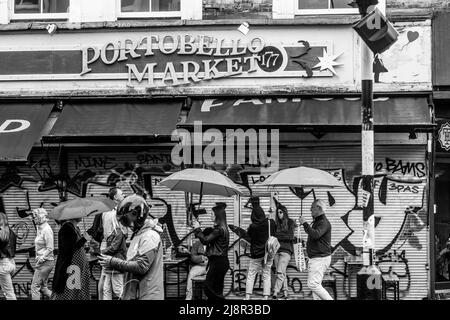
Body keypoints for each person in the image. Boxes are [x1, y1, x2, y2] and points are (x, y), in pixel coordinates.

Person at [98, 194, 164, 300]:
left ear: (136, 215)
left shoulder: (149, 236)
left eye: (128, 220)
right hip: (138, 293)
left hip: (147, 295)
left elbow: (141, 266)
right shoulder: (140, 234)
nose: (128, 226)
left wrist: (113, 261)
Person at [192, 202, 230, 301]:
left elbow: (205, 240)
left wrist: (197, 229)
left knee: (208, 288)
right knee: (217, 289)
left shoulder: (219, 230)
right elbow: (207, 239)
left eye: (212, 214)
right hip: (219, 262)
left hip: (218, 262)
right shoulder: (221, 228)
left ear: (217, 215)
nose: (211, 215)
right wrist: (199, 230)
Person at [298, 199, 333, 300]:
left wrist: (305, 223)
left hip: (320, 258)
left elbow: (316, 234)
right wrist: (304, 224)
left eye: (312, 207)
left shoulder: (323, 222)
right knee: (316, 286)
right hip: (317, 258)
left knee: (313, 284)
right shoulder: (318, 221)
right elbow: (313, 233)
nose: (310, 209)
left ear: (319, 208)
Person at [51, 218, 91, 300]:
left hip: (77, 269)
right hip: (71, 269)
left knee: (76, 293)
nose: (82, 216)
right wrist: (84, 239)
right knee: (69, 293)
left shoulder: (76, 228)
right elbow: (68, 249)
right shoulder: (66, 228)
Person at [244, 197, 275, 300]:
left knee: (251, 274)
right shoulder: (271, 223)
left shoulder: (253, 227)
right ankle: (265, 297)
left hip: (256, 254)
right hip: (268, 253)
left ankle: (248, 296)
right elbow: (274, 233)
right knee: (266, 274)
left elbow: (249, 237)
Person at [97, 187, 124, 300]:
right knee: (117, 287)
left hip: (107, 250)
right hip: (112, 252)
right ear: (115, 197)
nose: (123, 196)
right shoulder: (113, 213)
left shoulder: (106, 211)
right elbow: (114, 235)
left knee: (106, 286)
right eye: (121, 194)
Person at [101, 211, 127, 300]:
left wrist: (102, 252)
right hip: (110, 265)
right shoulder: (113, 232)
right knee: (106, 289)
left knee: (118, 290)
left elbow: (113, 248)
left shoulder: (118, 232)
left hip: (116, 265)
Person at [272, 204, 296, 300]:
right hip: (276, 251)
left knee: (279, 272)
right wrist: (281, 236)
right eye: (277, 212)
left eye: (281, 212)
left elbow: (290, 237)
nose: (279, 214)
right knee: (282, 272)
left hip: (286, 251)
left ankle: (275, 292)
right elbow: (273, 236)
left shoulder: (290, 222)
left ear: (285, 212)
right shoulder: (276, 224)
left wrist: (279, 236)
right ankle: (285, 292)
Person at [31, 208, 55, 300]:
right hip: (44, 262)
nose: (34, 219)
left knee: (34, 287)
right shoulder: (40, 228)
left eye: (35, 217)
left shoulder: (47, 230)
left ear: (40, 217)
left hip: (45, 263)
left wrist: (41, 259)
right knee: (43, 288)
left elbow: (50, 248)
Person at [0, 212, 17, 300]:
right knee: (7, 291)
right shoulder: (11, 232)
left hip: (3, 265)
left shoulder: (1, 233)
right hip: (11, 263)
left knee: (9, 294)